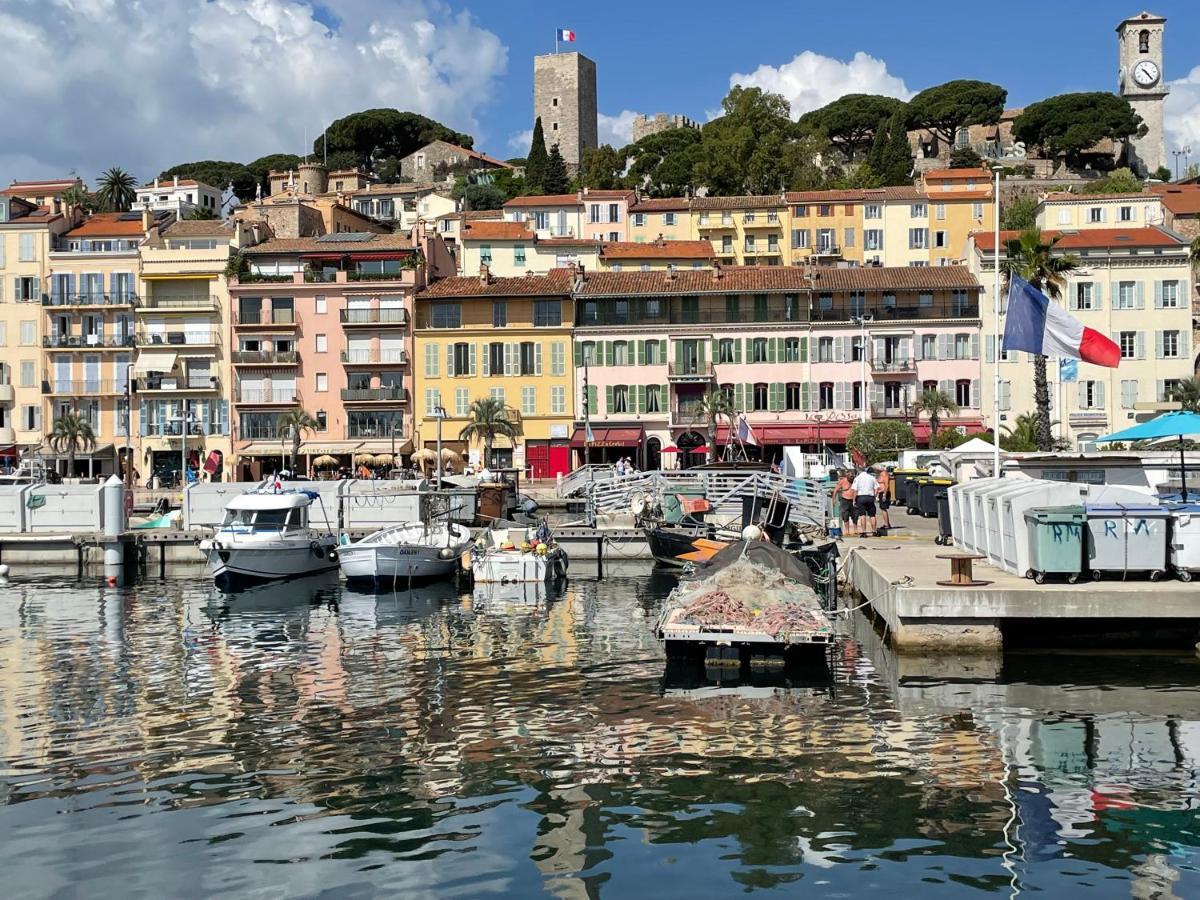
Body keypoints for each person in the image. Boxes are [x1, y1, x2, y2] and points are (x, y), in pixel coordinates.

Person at [852, 466, 880, 537]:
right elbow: (877, 488)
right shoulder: (872, 477)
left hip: (861, 497)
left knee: (862, 515)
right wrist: (874, 496)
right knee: (872, 515)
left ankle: (864, 532)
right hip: (870, 497)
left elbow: (855, 490)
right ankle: (874, 531)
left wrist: (854, 500)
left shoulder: (857, 478)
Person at [834, 469, 857, 538]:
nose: (851, 478)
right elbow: (836, 490)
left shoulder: (855, 481)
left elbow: (857, 490)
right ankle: (847, 531)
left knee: (855, 515)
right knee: (845, 515)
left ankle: (855, 530)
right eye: (850, 476)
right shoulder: (842, 481)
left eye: (852, 476)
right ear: (847, 475)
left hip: (854, 500)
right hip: (845, 500)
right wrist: (834, 499)